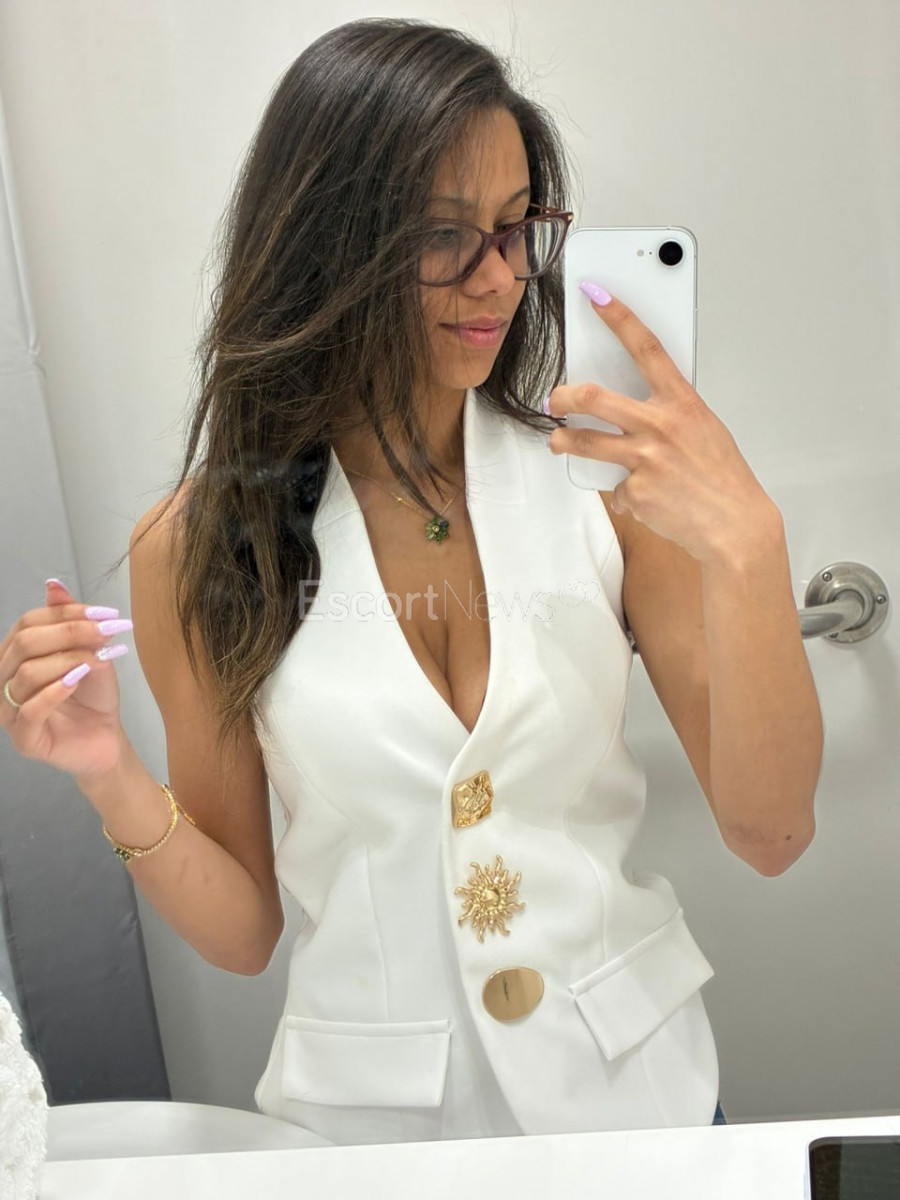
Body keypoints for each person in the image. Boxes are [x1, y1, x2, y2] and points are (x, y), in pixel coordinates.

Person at [0, 18, 822, 1147]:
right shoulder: (203, 542)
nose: (500, 279)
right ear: (323, 243)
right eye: (444, 234)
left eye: (516, 228)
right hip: (377, 1139)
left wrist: (750, 547)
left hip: (642, 1106)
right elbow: (243, 934)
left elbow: (771, 834)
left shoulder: (610, 488)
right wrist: (108, 773)